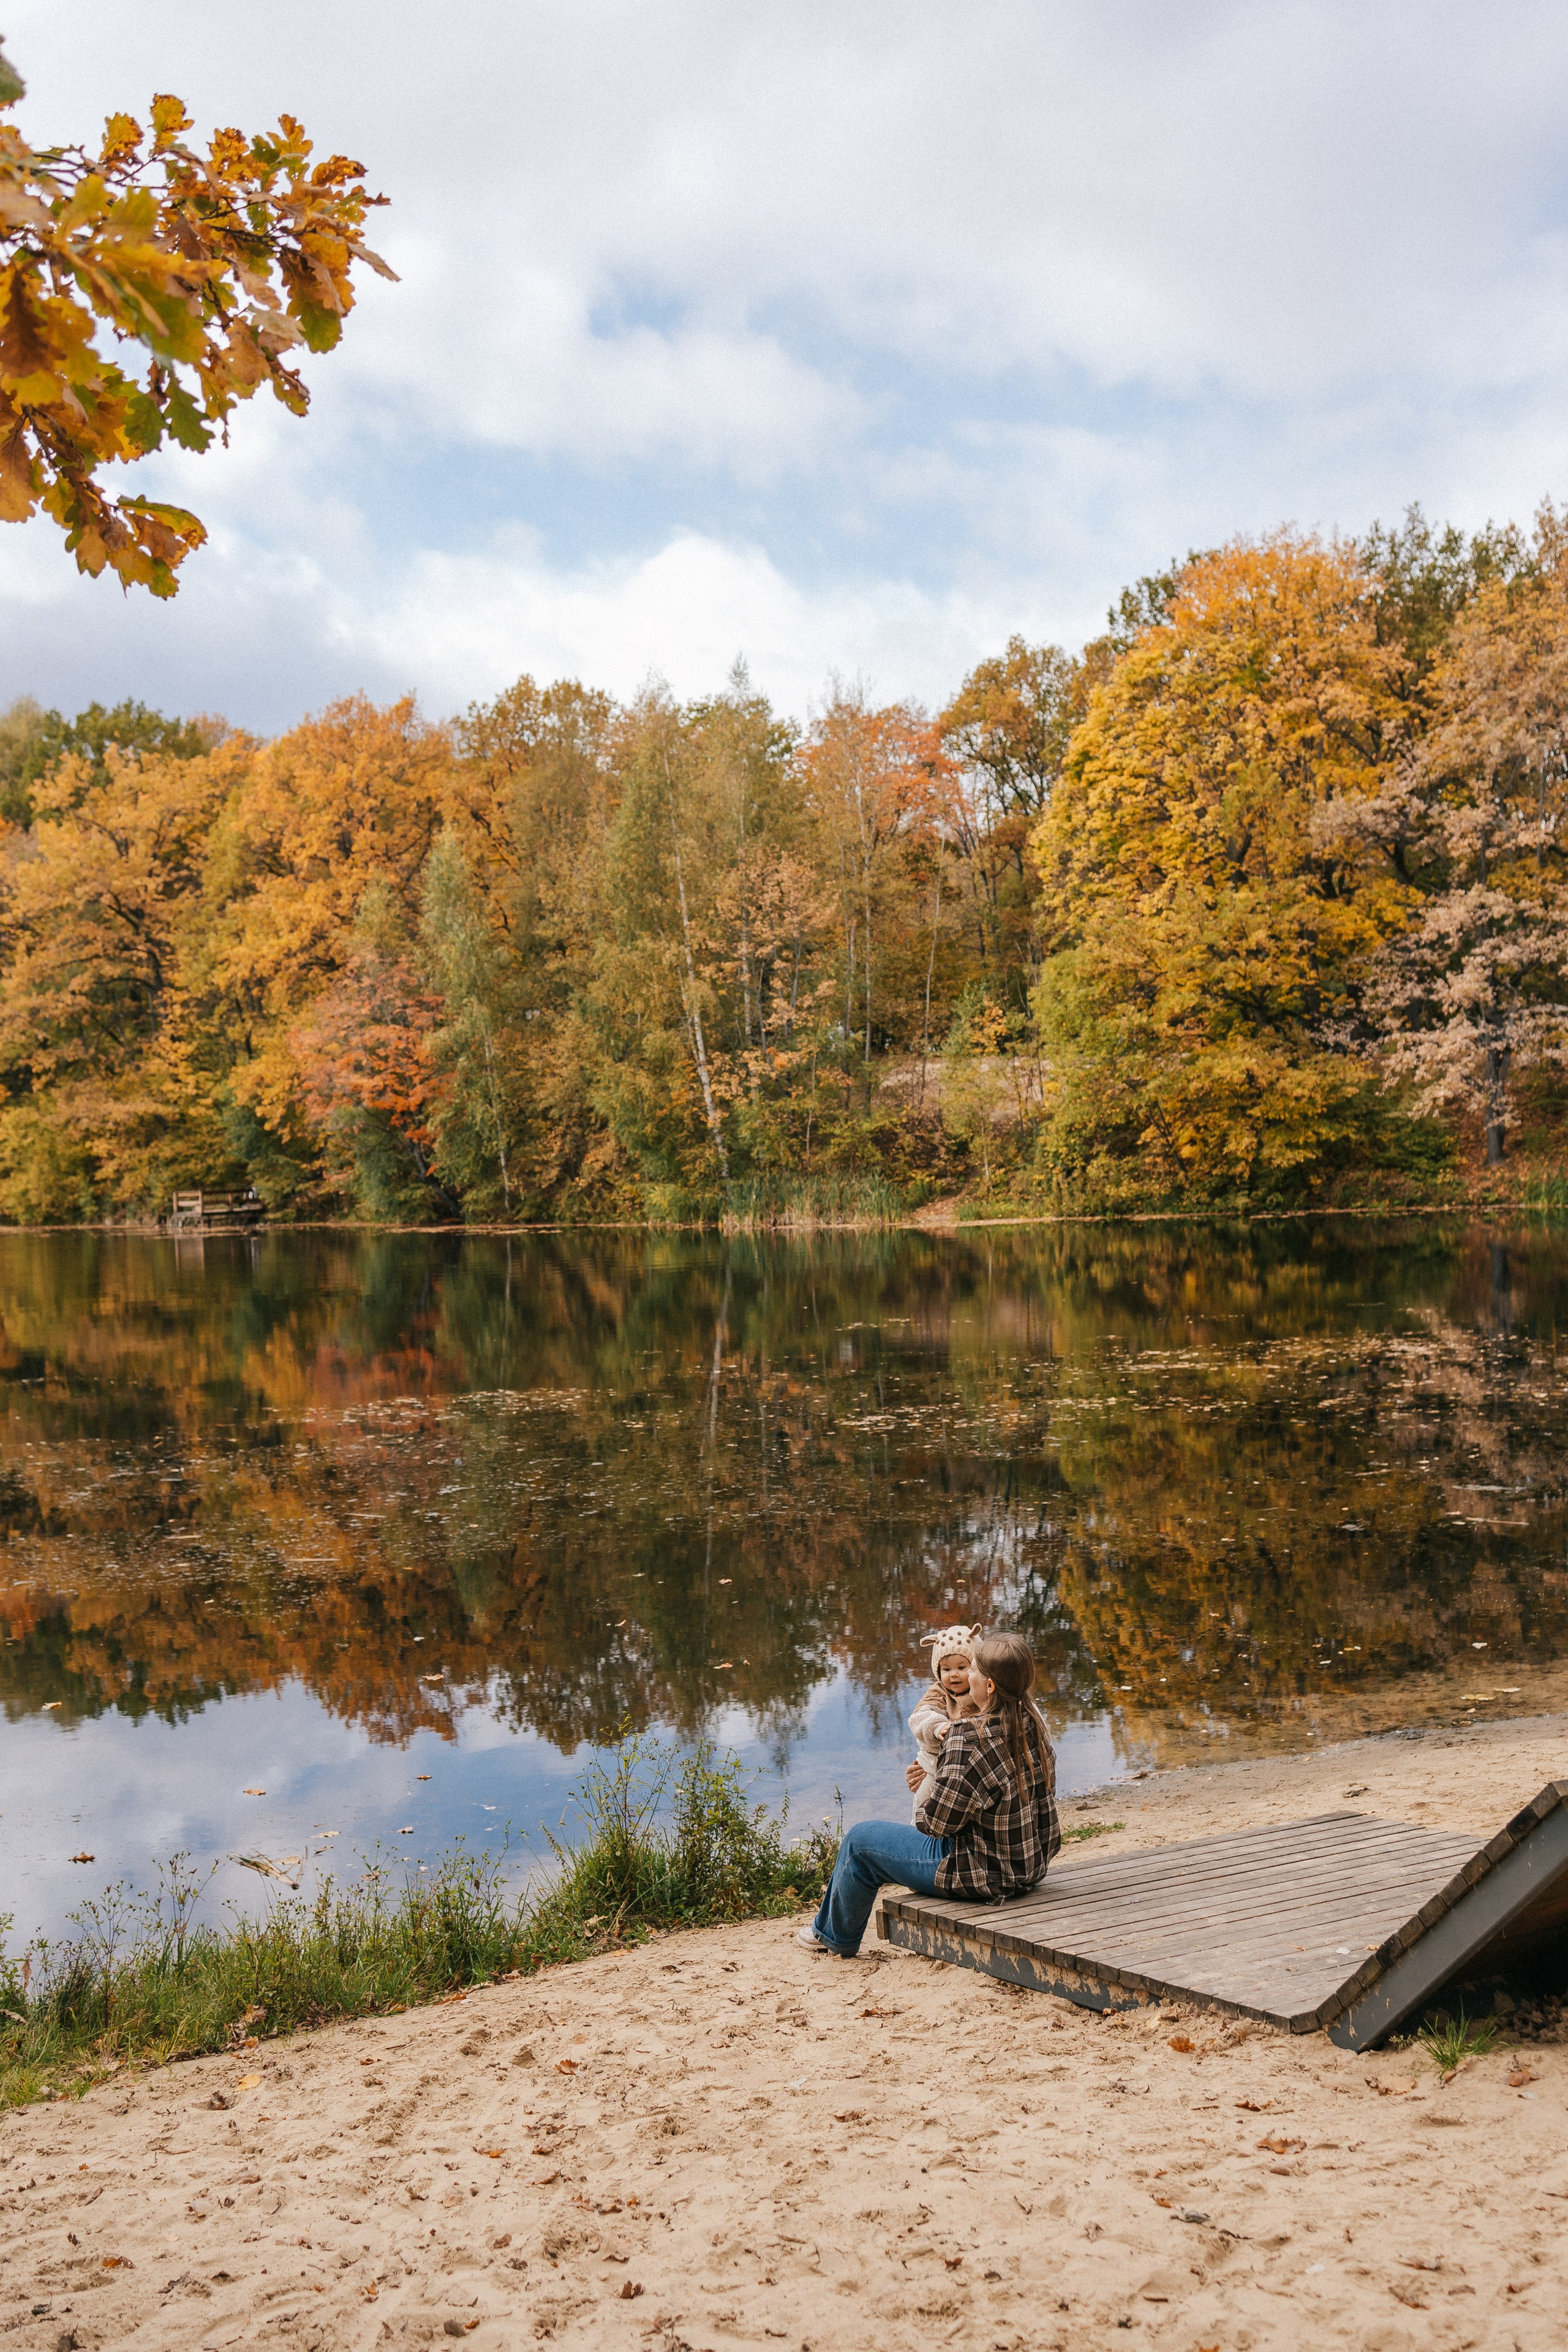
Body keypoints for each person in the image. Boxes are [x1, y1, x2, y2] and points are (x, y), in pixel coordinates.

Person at [799, 1630, 1060, 1958]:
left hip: (981, 1873)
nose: (967, 1676)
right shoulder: (1033, 1722)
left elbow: (937, 1825)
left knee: (860, 1841)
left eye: (974, 1669)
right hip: (1029, 1867)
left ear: (990, 1686)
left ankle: (832, 1935)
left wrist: (932, 1787)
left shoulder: (967, 1738)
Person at [905, 1623, 982, 1818]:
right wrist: (937, 1726)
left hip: (966, 1767)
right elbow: (922, 1716)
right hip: (934, 1761)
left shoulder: (982, 1693)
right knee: (925, 1799)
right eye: (946, 1669)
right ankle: (919, 1832)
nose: (953, 1674)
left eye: (962, 1667)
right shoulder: (939, 1691)